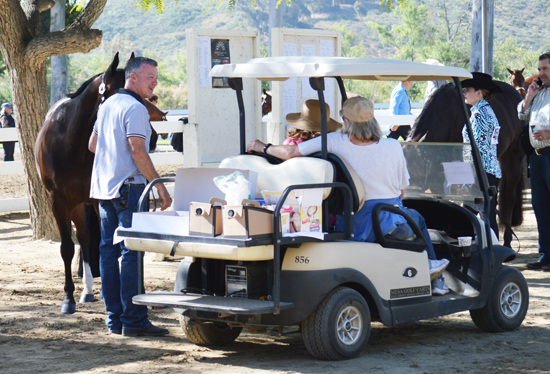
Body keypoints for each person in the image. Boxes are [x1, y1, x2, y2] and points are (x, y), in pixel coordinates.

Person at [247, 97, 450, 294]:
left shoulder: (335, 141)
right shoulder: (393, 146)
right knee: (418, 219)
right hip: (387, 226)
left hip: (352, 225)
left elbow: (290, 153)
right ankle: (435, 275)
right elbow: (402, 190)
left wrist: (262, 147)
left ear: (346, 121)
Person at [88, 56, 172, 336]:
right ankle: (134, 321)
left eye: (156, 77)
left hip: (105, 188)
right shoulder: (135, 108)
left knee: (108, 253)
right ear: (133, 77)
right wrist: (159, 185)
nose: (155, 82)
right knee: (132, 253)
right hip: (129, 187)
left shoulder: (108, 104)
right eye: (151, 77)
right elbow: (138, 151)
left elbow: (93, 145)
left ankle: (115, 320)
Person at [518, 52, 550, 270]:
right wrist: (529, 95)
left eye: (545, 69)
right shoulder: (538, 92)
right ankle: (546, 255)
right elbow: (521, 115)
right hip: (537, 158)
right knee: (540, 206)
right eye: (539, 69)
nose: (541, 73)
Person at [461, 72, 503, 241]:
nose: (465, 92)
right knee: (484, 215)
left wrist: (466, 179)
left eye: (468, 90)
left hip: (480, 172)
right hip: (487, 171)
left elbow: (474, 149)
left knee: (481, 216)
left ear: (479, 93)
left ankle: (490, 252)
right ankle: (491, 251)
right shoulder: (485, 111)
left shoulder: (479, 115)